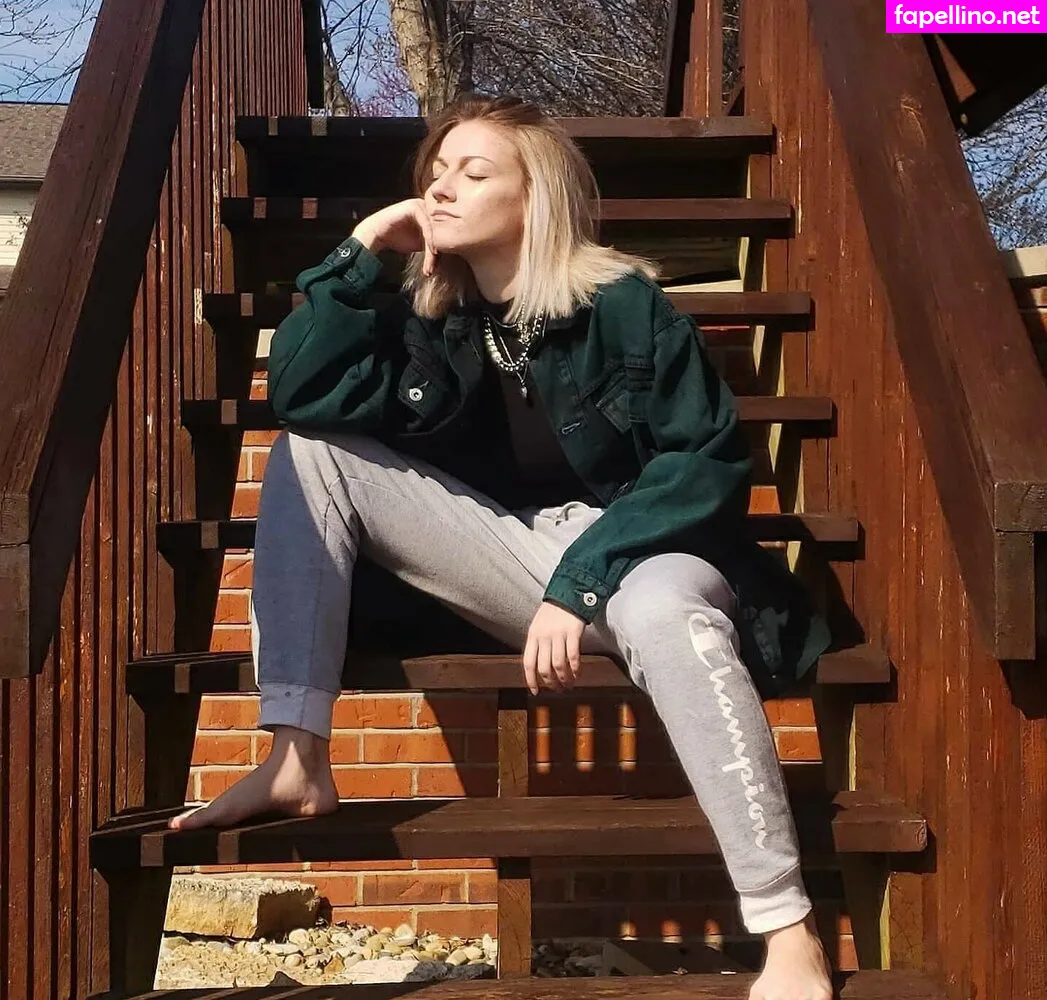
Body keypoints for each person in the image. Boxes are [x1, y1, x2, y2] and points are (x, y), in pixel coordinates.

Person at [169, 92, 833, 1000]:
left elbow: (703, 463)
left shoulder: (623, 304)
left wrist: (580, 582)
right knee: (310, 450)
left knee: (666, 615)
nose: (440, 189)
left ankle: (787, 931)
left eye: (472, 173)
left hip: (642, 548)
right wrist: (361, 251)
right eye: (435, 172)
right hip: (501, 552)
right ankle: (297, 755)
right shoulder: (429, 314)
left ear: (535, 196)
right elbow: (301, 394)